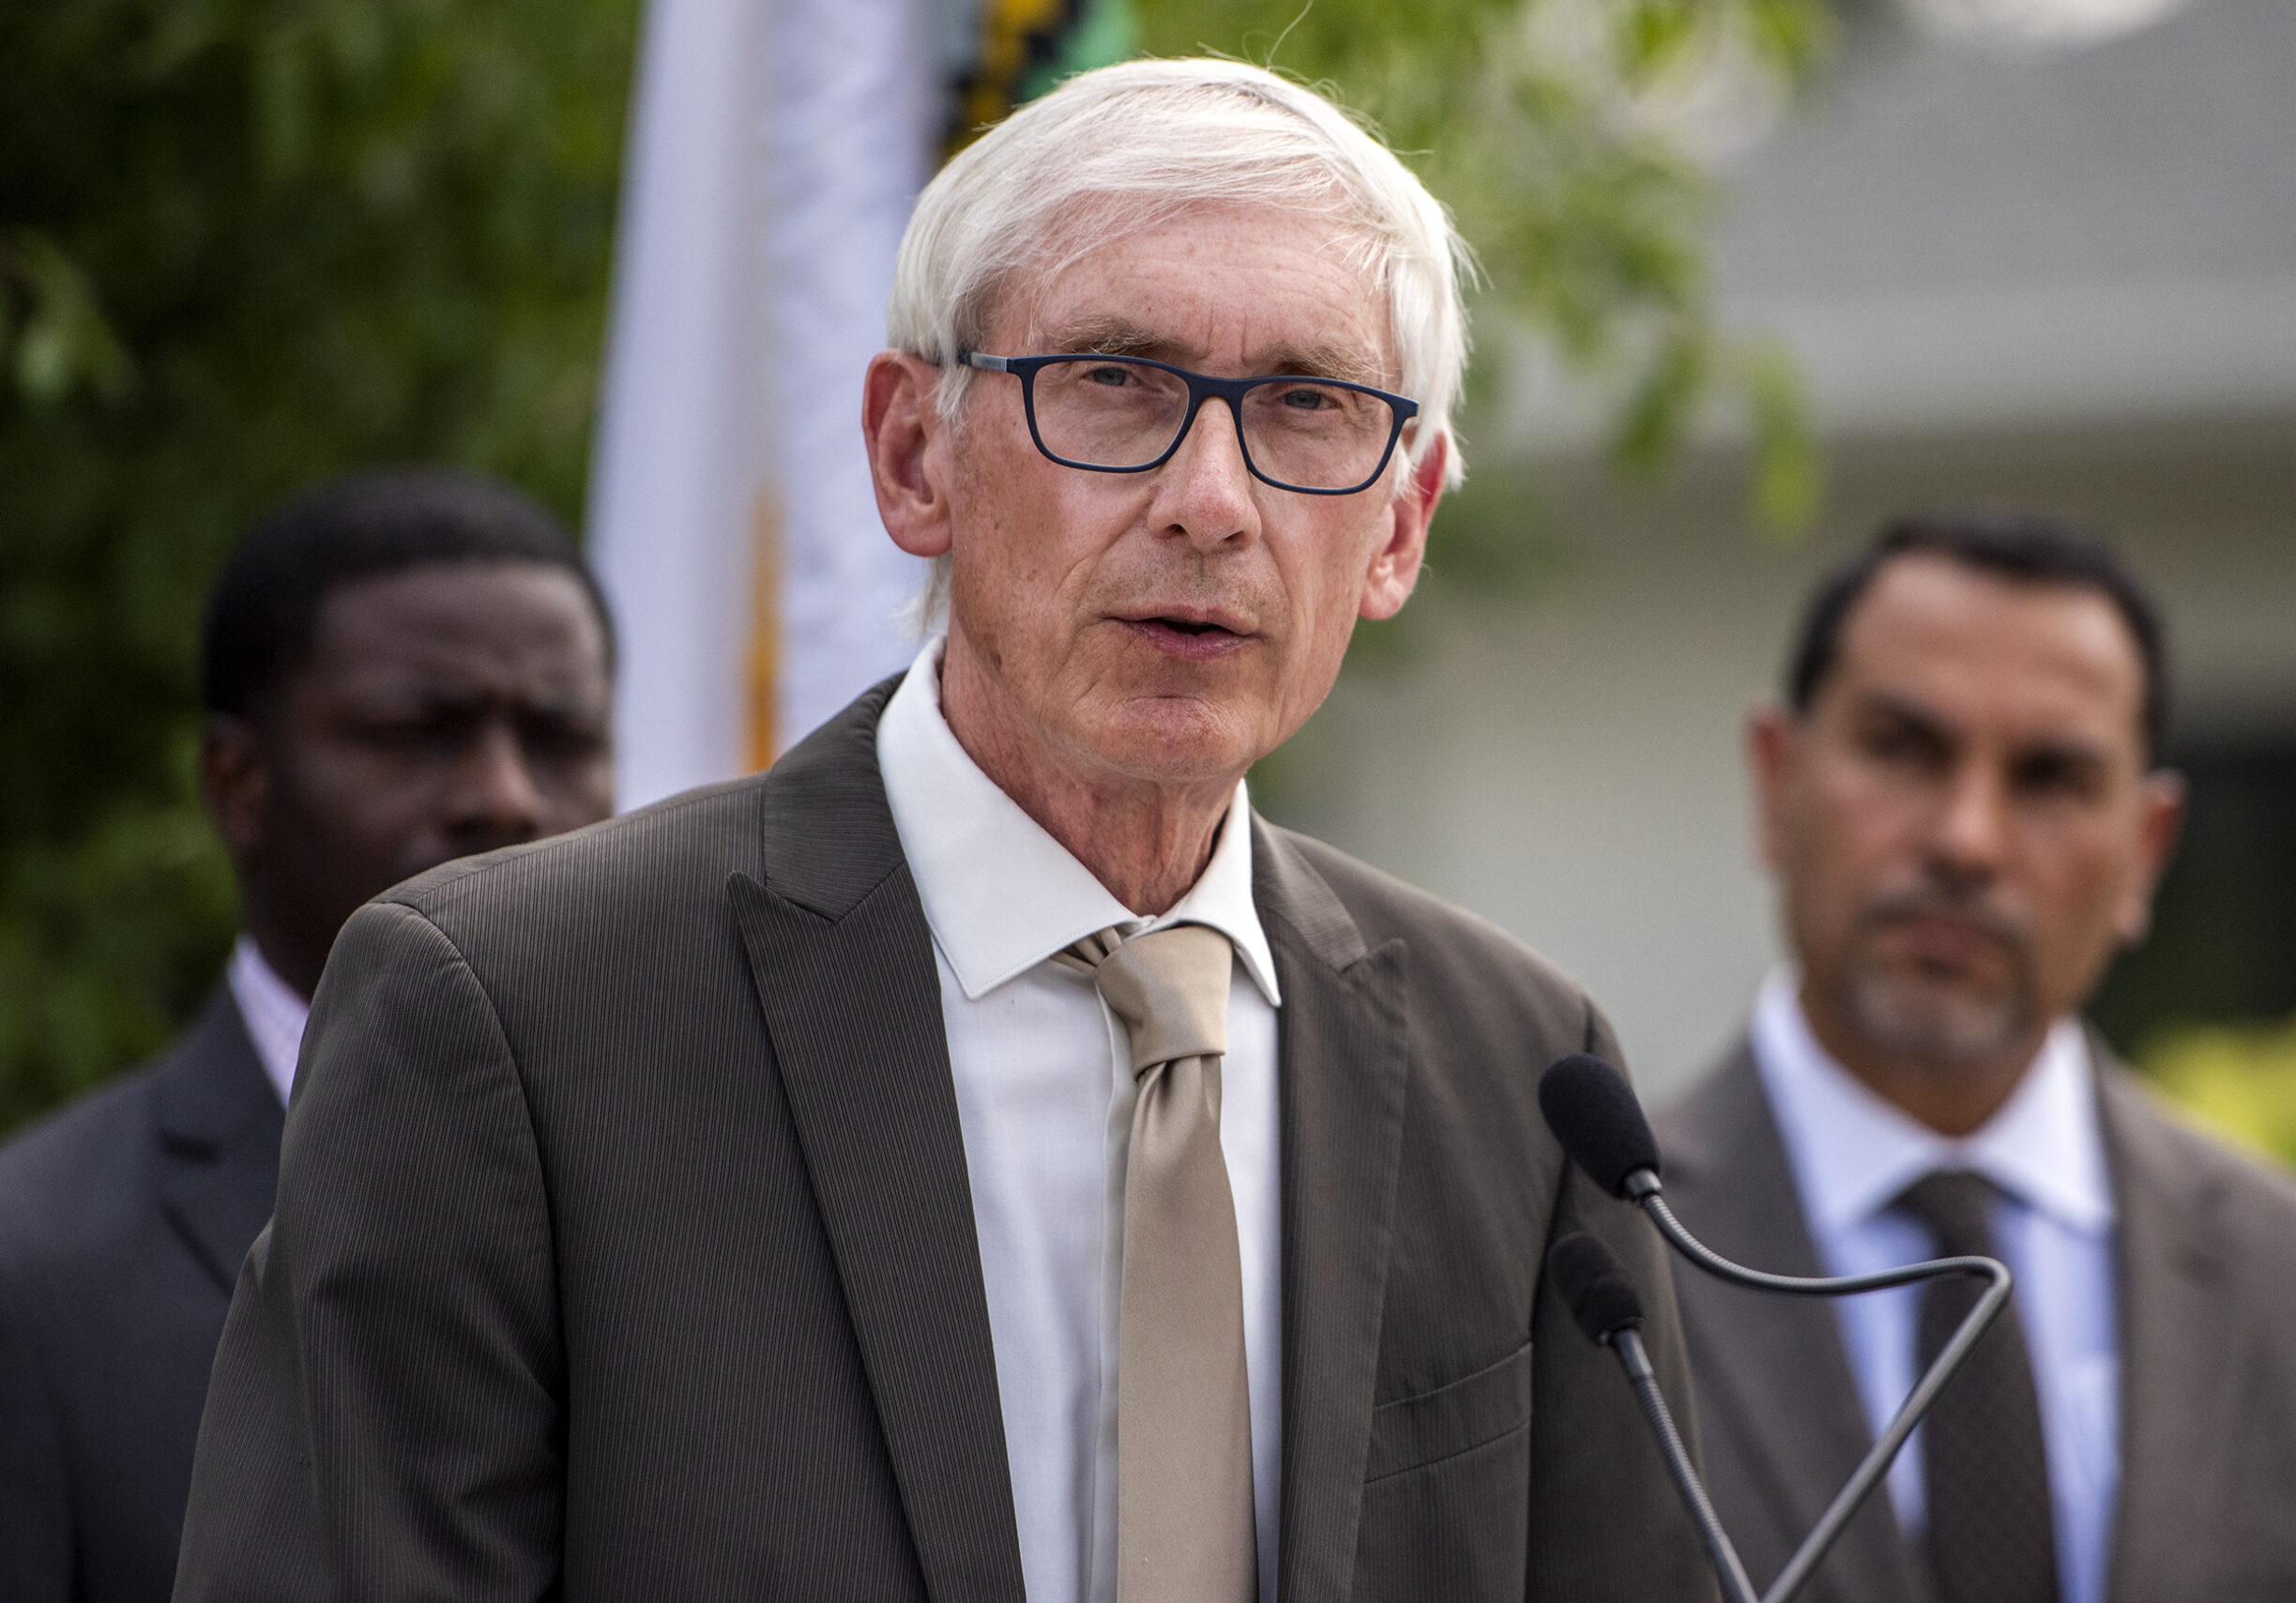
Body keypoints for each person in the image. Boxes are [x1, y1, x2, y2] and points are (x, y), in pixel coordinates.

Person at [174, 60, 1715, 1603]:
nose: (1211, 499)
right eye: (1118, 379)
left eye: (1309, 405)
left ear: (1402, 522)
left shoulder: (1520, 1070)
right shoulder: (507, 1015)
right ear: (914, 454)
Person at [1658, 511, 2296, 1603]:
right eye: (1902, 747)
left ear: (2145, 852)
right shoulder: (1574, 1259)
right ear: (1777, 782)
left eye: (2050, 777)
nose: (1967, 838)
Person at [0, 467, 617, 1603]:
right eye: (415, 734)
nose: (505, 796)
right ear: (239, 784)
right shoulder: (32, 1273)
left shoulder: (715, 1192)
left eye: (560, 735)